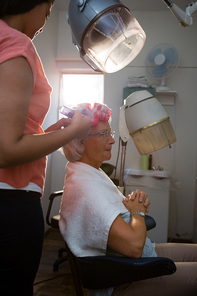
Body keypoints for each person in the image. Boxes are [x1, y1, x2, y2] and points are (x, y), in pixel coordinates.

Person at [0, 1, 91, 295]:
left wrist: (52, 133)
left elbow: (10, 132)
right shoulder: (16, 43)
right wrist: (75, 131)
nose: (45, 22)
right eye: (48, 12)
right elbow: (6, 151)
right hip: (9, 205)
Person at [59, 102, 197, 296]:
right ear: (81, 141)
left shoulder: (89, 174)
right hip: (125, 279)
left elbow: (119, 216)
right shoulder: (87, 188)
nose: (112, 141)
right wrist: (137, 211)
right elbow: (133, 247)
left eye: (111, 133)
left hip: (135, 264)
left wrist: (135, 205)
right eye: (104, 134)